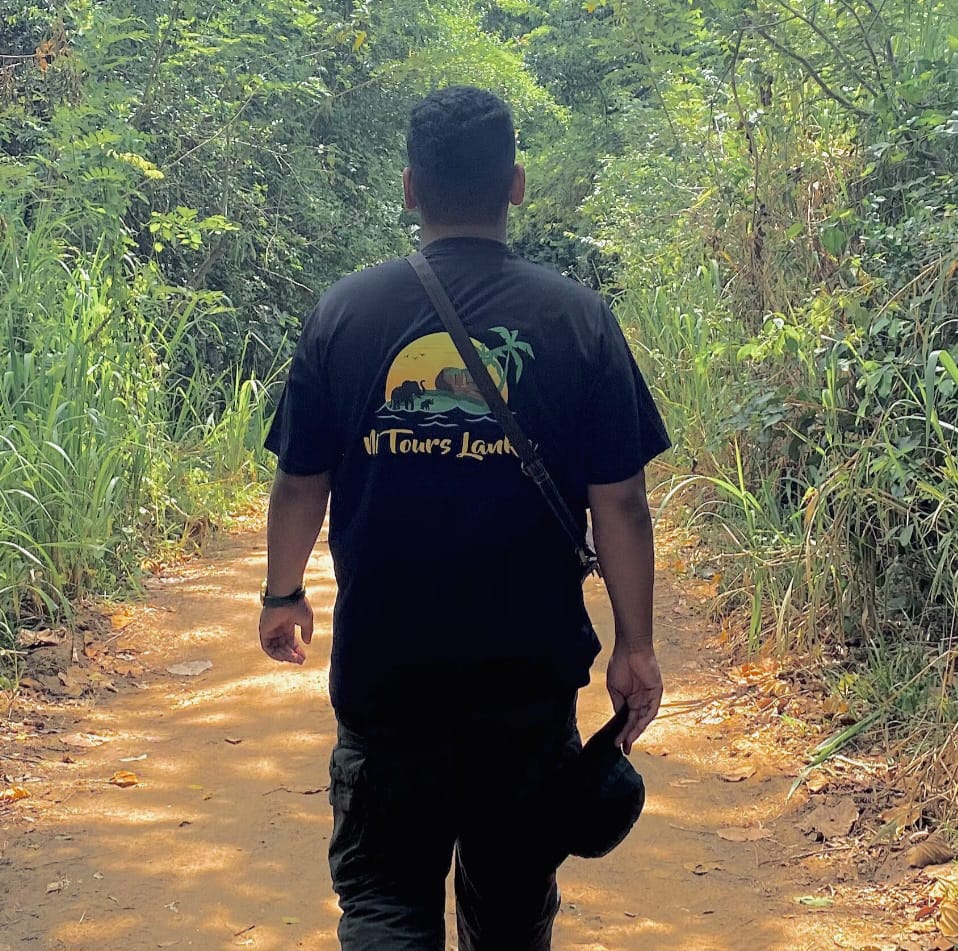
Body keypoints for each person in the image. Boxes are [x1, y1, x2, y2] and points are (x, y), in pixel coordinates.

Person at [258, 85, 671, 951]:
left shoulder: (345, 312)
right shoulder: (579, 319)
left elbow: (300, 482)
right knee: (511, 913)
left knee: (383, 903)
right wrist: (635, 644)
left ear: (410, 188)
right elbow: (622, 502)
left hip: (386, 678)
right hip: (524, 690)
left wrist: (283, 592)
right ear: (515, 184)